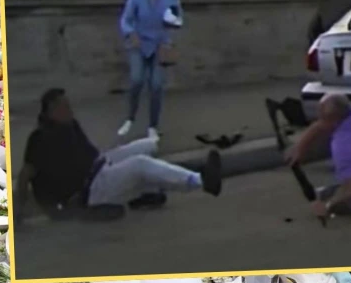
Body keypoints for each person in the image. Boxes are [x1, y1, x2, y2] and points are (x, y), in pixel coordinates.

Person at [17, 88, 222, 222]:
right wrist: (29, 213)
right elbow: (26, 175)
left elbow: (88, 154)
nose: (70, 110)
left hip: (100, 165)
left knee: (148, 145)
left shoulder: (70, 124)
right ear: (52, 111)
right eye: (65, 106)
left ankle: (144, 195)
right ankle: (201, 181)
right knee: (140, 164)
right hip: (90, 190)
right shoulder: (40, 138)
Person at [118, 0, 182, 140]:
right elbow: (126, 19)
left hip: (159, 46)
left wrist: (172, 23)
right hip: (139, 43)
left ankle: (153, 126)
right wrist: (130, 33)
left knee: (156, 85)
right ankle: (130, 118)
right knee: (137, 79)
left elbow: (177, 20)